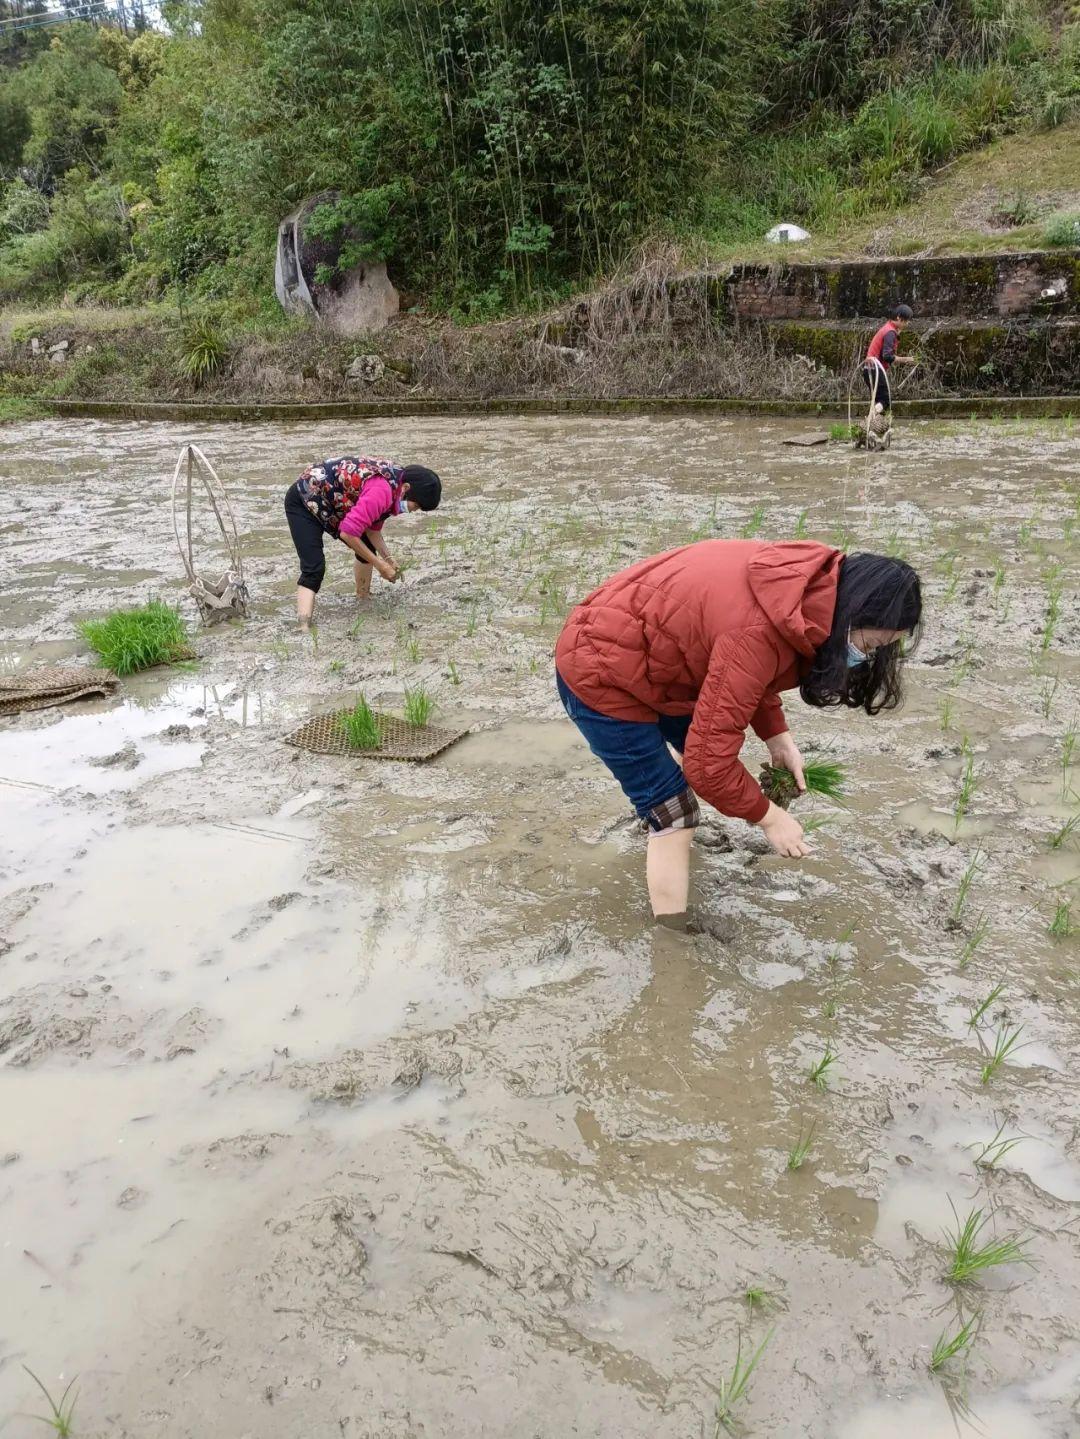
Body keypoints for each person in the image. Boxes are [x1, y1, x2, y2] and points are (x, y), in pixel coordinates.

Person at [554, 541, 922, 924]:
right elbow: (708, 764)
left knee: (698, 747)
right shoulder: (758, 632)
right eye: (870, 645)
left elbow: (747, 668)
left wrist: (778, 737)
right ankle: (671, 940)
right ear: (851, 613)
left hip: (654, 654)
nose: (868, 657)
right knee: (675, 811)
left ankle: (663, 839)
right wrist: (770, 818)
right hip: (599, 668)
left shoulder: (800, 587)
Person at [284, 456, 442, 624]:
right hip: (304, 500)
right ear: (406, 488)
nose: (413, 511)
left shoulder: (395, 482)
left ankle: (362, 599)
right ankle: (303, 627)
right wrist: (380, 565)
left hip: (330, 502)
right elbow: (348, 533)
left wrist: (388, 559)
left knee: (366, 548)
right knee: (314, 568)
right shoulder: (382, 490)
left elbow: (373, 528)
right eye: (416, 506)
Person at [862, 303, 915, 415]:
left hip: (869, 369)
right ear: (899, 318)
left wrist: (897, 334)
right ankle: (871, 418)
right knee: (885, 400)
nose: (907, 324)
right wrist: (906, 359)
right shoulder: (890, 332)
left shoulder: (888, 328)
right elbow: (887, 356)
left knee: (879, 400)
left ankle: (874, 427)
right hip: (875, 369)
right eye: (906, 321)